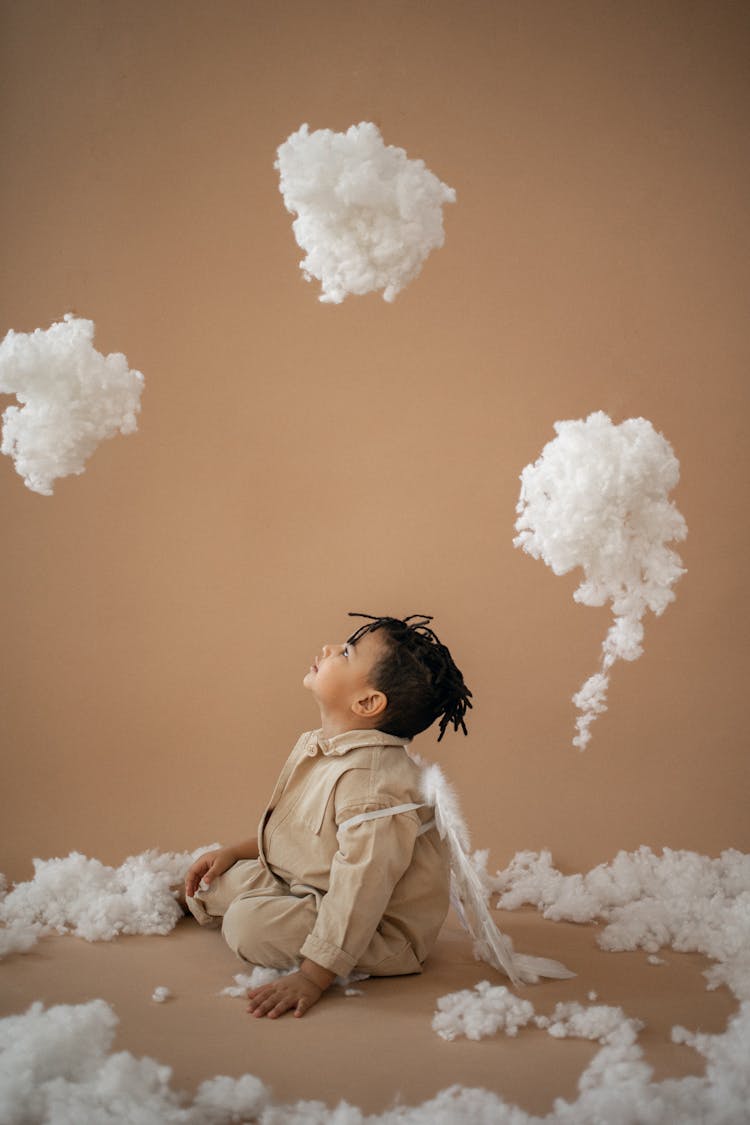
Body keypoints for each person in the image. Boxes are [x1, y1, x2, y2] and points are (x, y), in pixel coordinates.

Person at [184, 612, 472, 1020]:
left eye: (348, 651)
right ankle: (216, 896)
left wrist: (313, 976)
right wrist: (235, 851)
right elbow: (304, 833)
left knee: (248, 926)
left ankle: (316, 940)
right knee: (213, 881)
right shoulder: (326, 748)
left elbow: (362, 889)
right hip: (313, 882)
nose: (330, 648)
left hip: (376, 926)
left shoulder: (374, 787)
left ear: (368, 702)